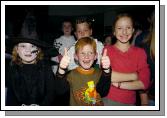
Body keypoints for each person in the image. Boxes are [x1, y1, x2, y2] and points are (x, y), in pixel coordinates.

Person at [102, 13, 150, 106]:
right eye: (120, 28)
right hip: (108, 99)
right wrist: (134, 76)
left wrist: (118, 84)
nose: (124, 32)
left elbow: (144, 83)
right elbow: (108, 77)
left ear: (133, 30)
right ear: (114, 32)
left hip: (130, 103)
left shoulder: (140, 52)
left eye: (128, 28)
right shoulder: (107, 50)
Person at [5, 37, 69, 106]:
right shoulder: (11, 68)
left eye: (33, 46)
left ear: (38, 50)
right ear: (17, 49)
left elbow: (52, 93)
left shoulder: (45, 67)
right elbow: (10, 96)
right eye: (23, 46)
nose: (28, 50)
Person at [56, 37, 111, 106]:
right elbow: (59, 91)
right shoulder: (71, 75)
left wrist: (107, 70)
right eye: (82, 53)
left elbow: (103, 92)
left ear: (95, 56)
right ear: (76, 56)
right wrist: (61, 70)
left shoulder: (100, 73)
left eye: (90, 53)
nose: (86, 56)